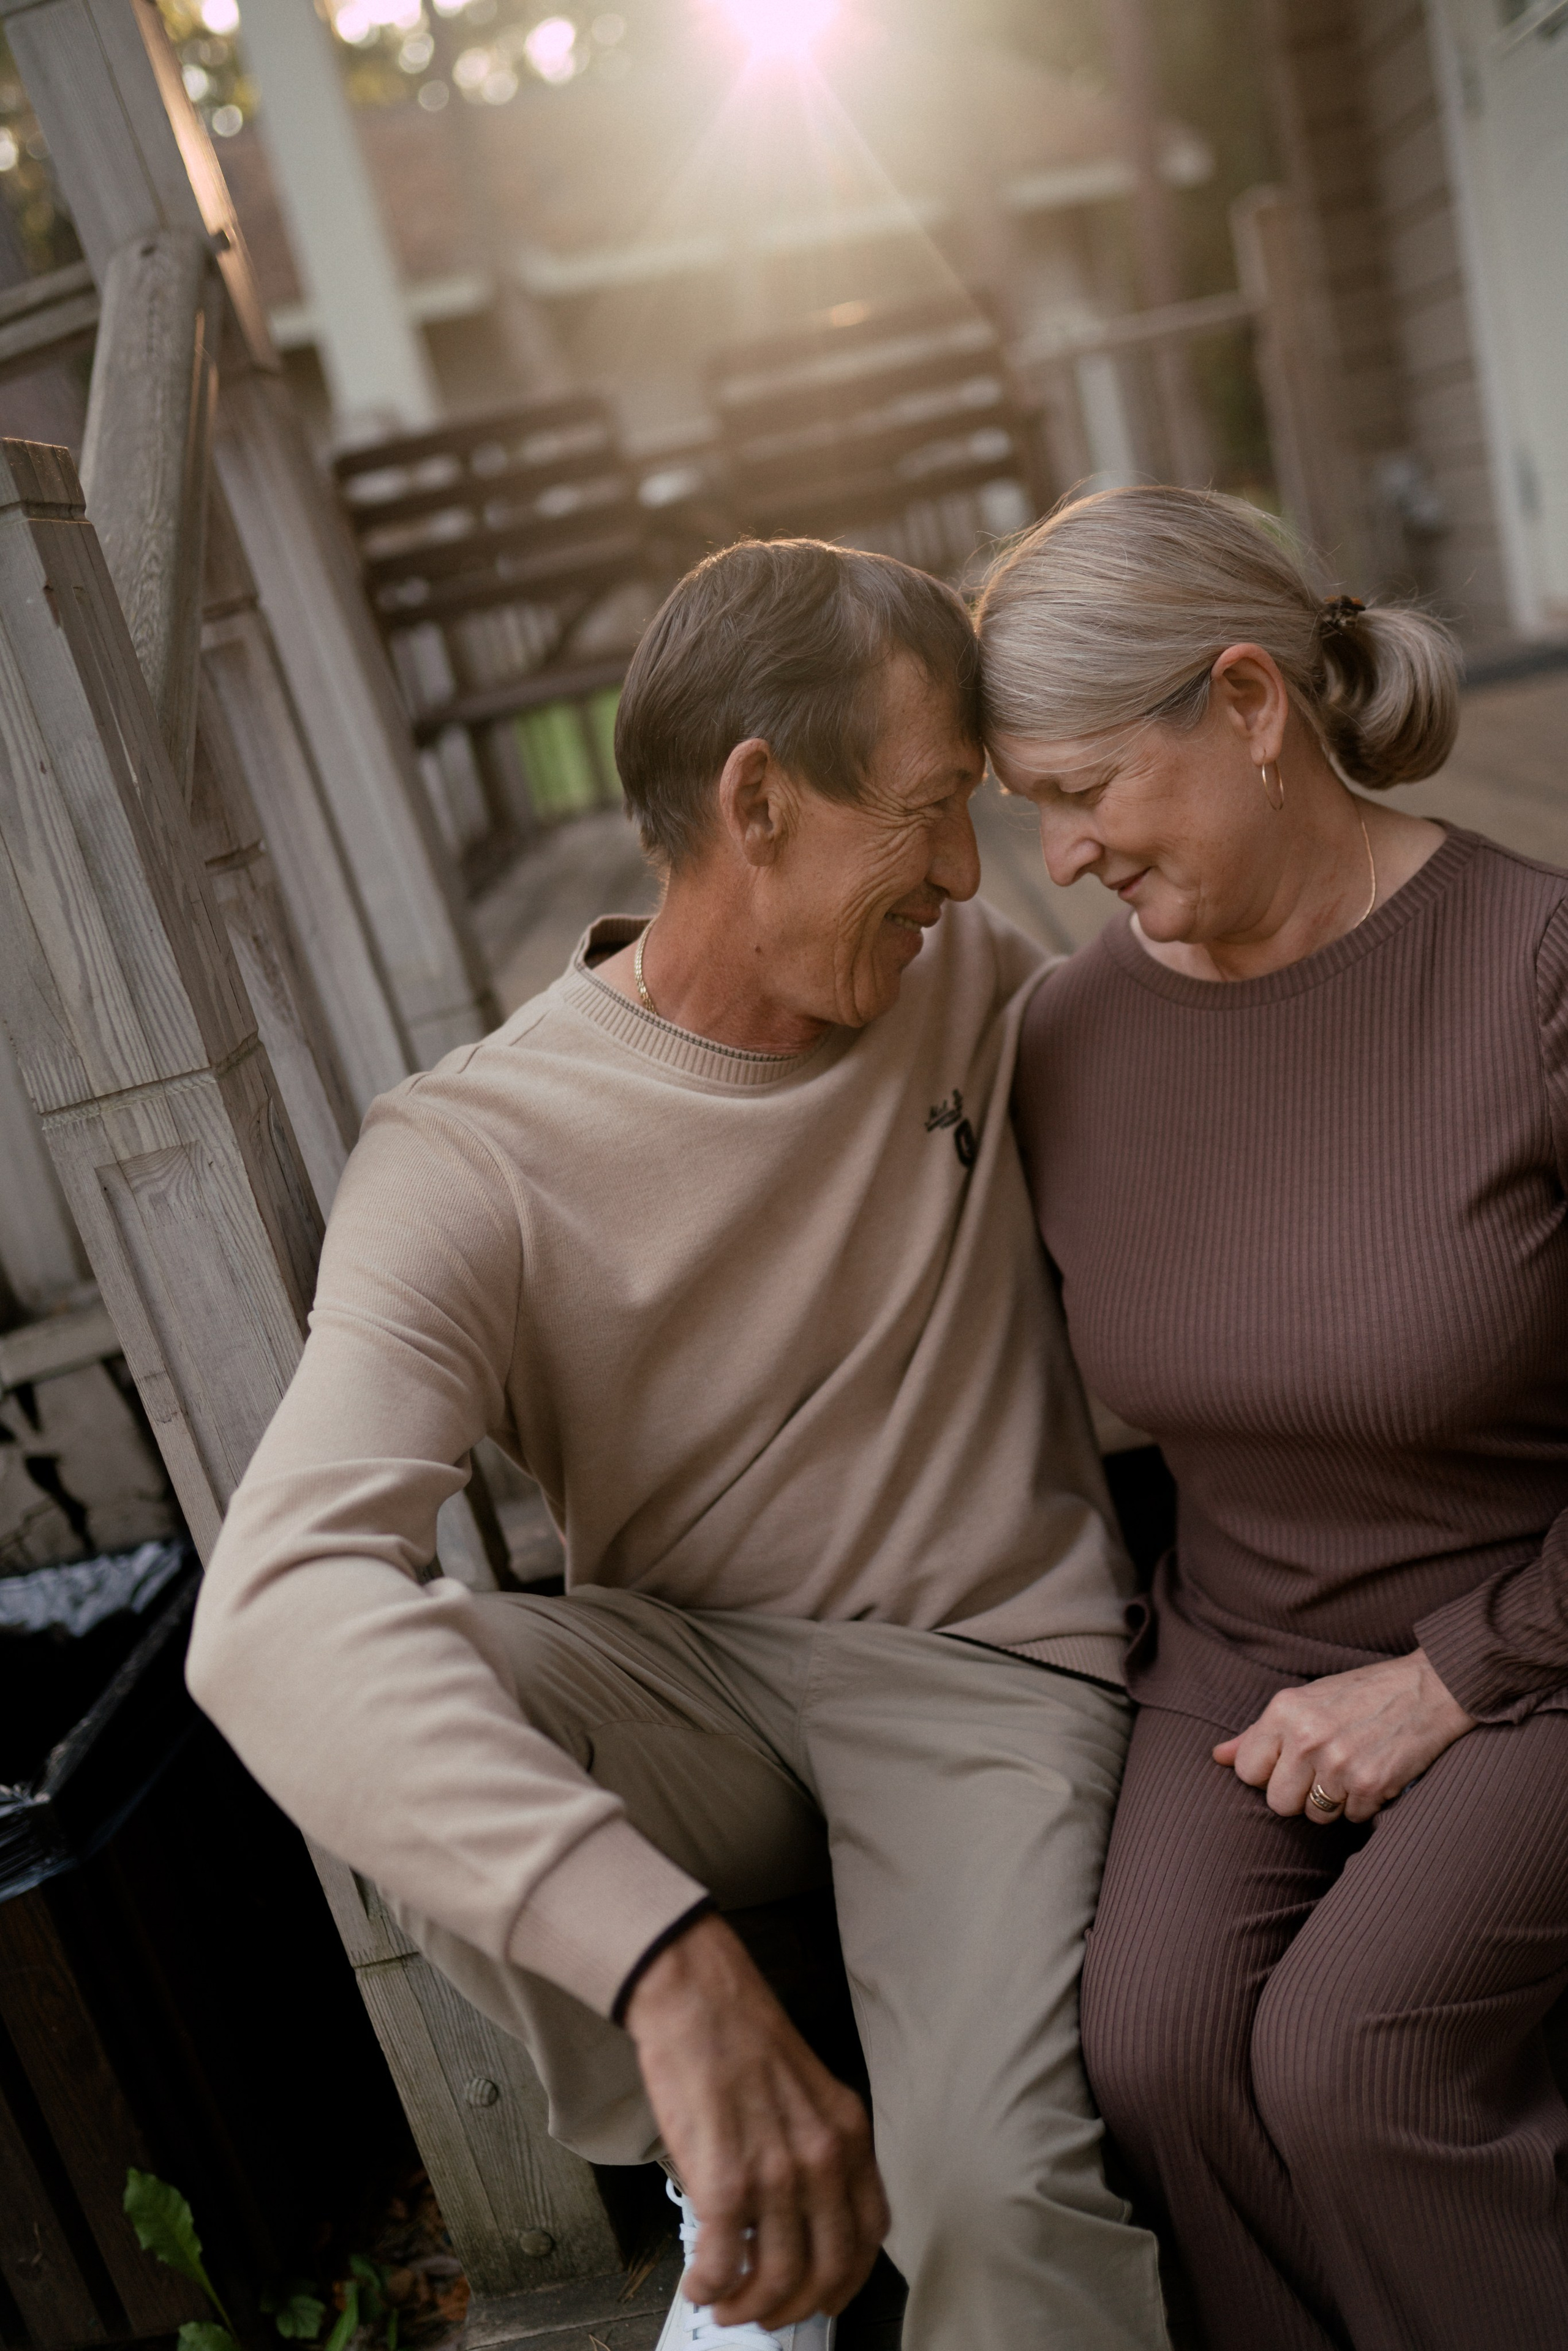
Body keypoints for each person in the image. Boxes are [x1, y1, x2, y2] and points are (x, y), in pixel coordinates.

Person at [187, 538, 1170, 2351]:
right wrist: (664, 1960)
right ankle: (727, 2150)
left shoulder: (970, 981)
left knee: (1002, 2196)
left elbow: (1215, 1099)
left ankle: (822, 2200)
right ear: (758, 803)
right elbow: (269, 1608)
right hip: (692, 1689)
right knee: (423, 1661)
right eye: (935, 810)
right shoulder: (472, 1152)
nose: (969, 870)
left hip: (986, 1676)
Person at [979, 483, 1568, 2351]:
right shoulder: (1068, 1040)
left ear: (1249, 705)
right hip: (1238, 1652)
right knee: (1151, 2056)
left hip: (1537, 1636)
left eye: (1088, 790)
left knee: (1350, 2056)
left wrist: (1459, 1673)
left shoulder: (1534, 971)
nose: (1060, 856)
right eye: (1028, 808)